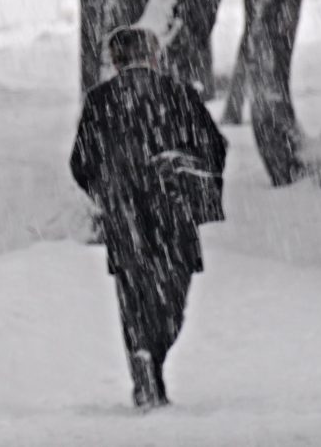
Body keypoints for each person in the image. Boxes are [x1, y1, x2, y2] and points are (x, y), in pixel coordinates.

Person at [70, 27, 227, 409]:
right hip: (174, 211)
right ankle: (155, 352)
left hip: (124, 216)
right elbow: (214, 147)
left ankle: (142, 358)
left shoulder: (100, 100)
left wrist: (108, 193)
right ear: (154, 55)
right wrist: (191, 176)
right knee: (172, 293)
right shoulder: (180, 94)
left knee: (133, 294)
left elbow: (80, 162)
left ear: (116, 59)